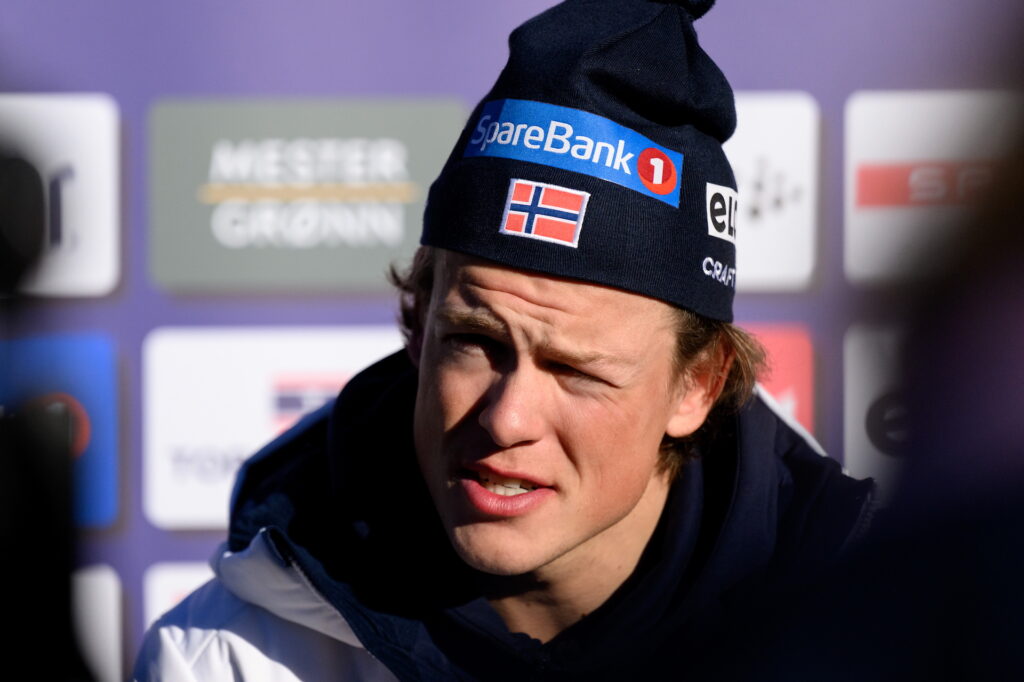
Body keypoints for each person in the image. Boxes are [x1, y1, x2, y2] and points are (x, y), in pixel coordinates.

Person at [134, 0, 875, 679]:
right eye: (477, 342)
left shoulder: (881, 636)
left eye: (574, 368)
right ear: (419, 322)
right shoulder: (227, 659)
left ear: (697, 387)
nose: (505, 419)